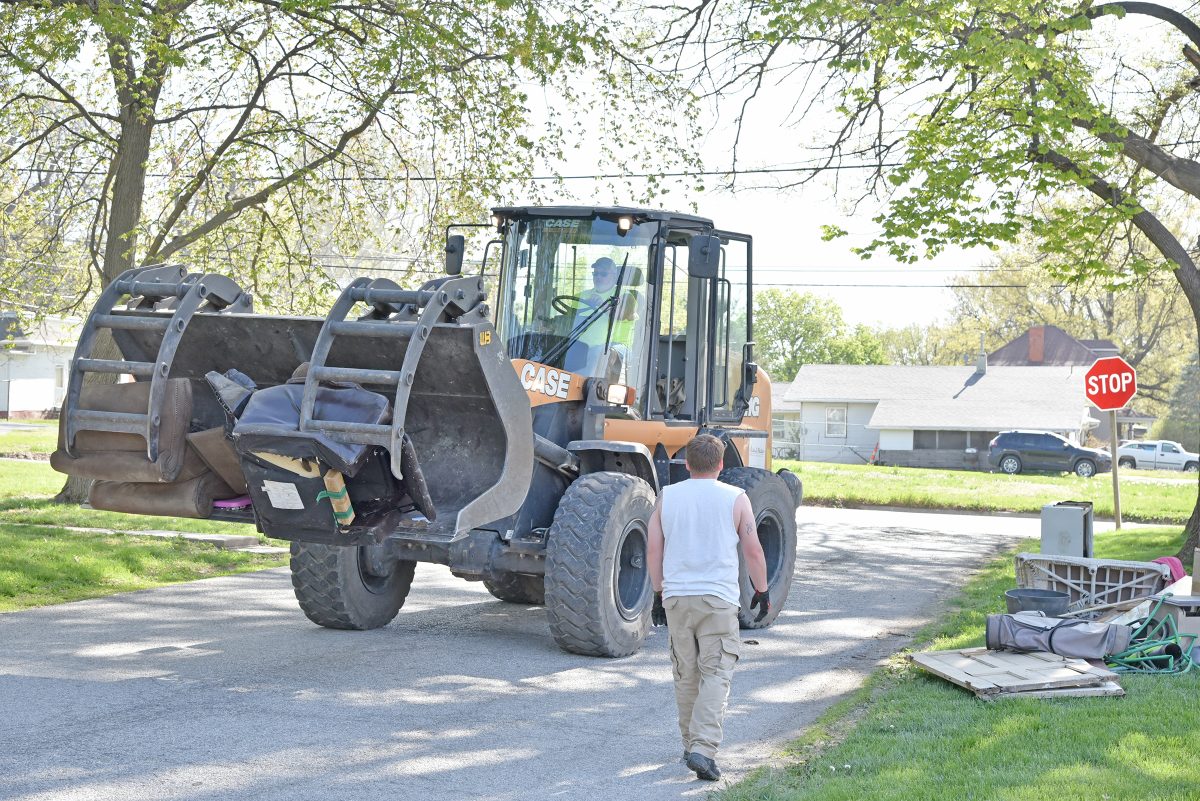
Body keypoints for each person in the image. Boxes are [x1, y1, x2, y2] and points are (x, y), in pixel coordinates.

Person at [647, 433, 770, 782]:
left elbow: (654, 549)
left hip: (676, 598)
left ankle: (689, 745)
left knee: (686, 674)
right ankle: (703, 748)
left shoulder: (667, 497)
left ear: (685, 463)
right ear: (721, 465)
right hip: (717, 600)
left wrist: (658, 592)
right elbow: (754, 550)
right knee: (717, 673)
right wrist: (760, 591)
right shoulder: (736, 498)